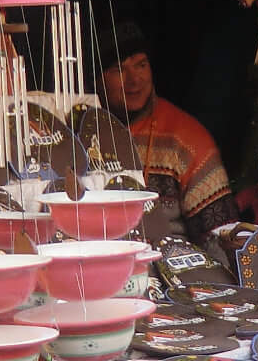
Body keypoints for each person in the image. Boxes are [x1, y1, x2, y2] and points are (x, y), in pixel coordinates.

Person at [96, 23, 239, 238]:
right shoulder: (80, 135)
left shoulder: (185, 139)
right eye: (119, 69)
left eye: (141, 65)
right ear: (97, 79)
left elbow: (221, 237)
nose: (134, 80)